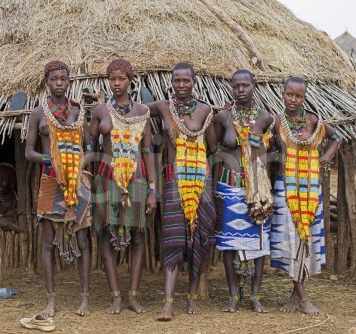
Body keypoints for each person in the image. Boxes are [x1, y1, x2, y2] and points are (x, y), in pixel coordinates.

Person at [145, 62, 217, 321]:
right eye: (177, 80)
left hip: (200, 182)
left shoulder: (205, 110)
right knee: (173, 238)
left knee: (197, 237)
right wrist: (103, 100)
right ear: (171, 82)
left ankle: (191, 298)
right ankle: (168, 303)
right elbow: (134, 111)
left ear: (194, 82)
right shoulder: (164, 107)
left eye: (186, 80)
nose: (181, 85)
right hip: (174, 181)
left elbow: (212, 148)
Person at [25, 60, 92, 317]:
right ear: (47, 82)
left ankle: (84, 299)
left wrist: (74, 164)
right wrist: (51, 158)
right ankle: (51, 300)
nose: (59, 83)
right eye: (54, 79)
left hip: (77, 181)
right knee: (48, 243)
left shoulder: (77, 111)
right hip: (50, 182)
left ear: (69, 81)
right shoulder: (39, 113)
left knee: (83, 239)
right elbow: (29, 151)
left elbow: (87, 144)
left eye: (63, 79)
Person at [270, 76, 343, 315]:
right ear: (283, 94)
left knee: (306, 239)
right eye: (289, 94)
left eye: (298, 96)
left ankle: (296, 296)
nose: (293, 100)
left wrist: (326, 158)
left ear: (305, 97)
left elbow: (338, 138)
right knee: (292, 239)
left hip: (311, 191)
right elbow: (261, 141)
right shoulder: (277, 122)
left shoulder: (314, 121)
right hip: (286, 190)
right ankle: (302, 298)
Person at [89, 59, 156, 314]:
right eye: (112, 79)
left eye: (121, 79)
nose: (117, 83)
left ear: (130, 80)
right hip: (107, 180)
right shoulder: (100, 112)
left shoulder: (143, 112)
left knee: (138, 235)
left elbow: (148, 151)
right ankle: (115, 295)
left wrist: (152, 189)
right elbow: (89, 145)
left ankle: (133, 296)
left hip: (137, 180)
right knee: (107, 234)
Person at [213, 69, 274, 313]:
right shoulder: (223, 117)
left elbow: (273, 150)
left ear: (254, 86)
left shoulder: (266, 119)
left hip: (257, 189)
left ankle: (255, 296)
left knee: (258, 242)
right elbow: (216, 148)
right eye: (236, 86)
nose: (240, 90)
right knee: (229, 244)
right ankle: (233, 296)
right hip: (229, 186)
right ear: (231, 87)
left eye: (245, 86)